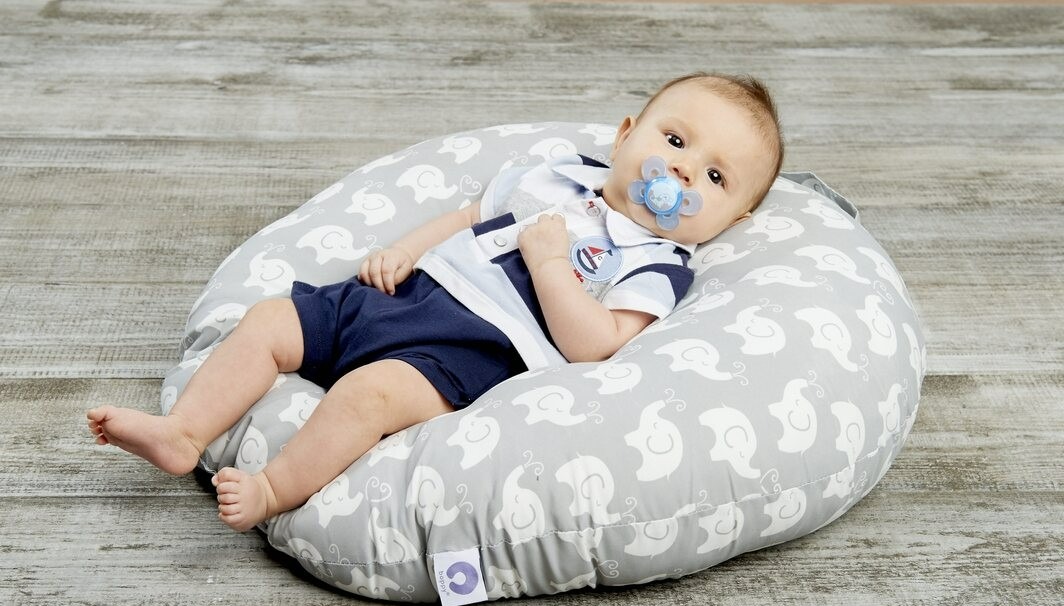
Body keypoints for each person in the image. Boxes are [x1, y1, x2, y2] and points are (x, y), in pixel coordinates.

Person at [87, 72, 785, 532]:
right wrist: (404, 249)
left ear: (733, 219)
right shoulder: (557, 176)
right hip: (411, 293)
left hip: (466, 352)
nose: (682, 170)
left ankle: (274, 489)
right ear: (626, 134)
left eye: (715, 177)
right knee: (270, 319)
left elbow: (596, 343)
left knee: (368, 394)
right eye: (675, 140)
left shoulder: (657, 265)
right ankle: (184, 432)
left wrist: (551, 267)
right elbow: (469, 216)